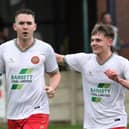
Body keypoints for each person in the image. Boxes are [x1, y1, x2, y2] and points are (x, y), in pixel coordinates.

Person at [56, 23, 129, 129]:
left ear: (110, 42)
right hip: (91, 126)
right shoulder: (84, 60)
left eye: (98, 40)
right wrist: (39, 51)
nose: (93, 43)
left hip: (115, 123)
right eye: (92, 40)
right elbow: (59, 59)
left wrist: (118, 80)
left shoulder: (122, 63)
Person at [0, 8, 61, 129]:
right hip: (13, 113)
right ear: (14, 26)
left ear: (34, 26)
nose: (25, 26)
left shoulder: (45, 49)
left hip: (37, 111)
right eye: (21, 23)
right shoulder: (3, 49)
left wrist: (52, 87)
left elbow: (55, 74)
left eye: (29, 23)